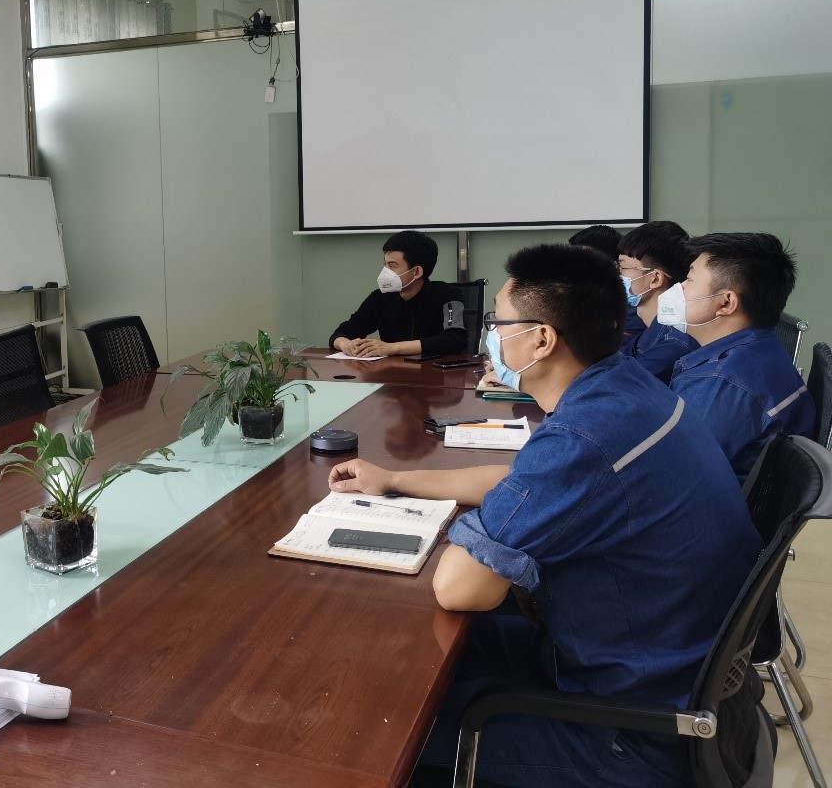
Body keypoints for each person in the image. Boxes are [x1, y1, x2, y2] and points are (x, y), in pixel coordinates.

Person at [329, 243, 760, 787]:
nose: (490, 336)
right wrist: (394, 480)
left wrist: (480, 529)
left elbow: (462, 588)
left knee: (367, 729)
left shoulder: (585, 436)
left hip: (629, 732)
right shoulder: (622, 388)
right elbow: (520, 479)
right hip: (651, 668)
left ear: (541, 339)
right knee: (398, 655)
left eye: (498, 324)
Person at [667, 232, 815, 485]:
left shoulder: (720, 384)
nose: (678, 289)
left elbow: (673, 477)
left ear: (726, 303)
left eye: (689, 280)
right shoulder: (765, 348)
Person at [329, 230, 467, 358]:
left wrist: (392, 348)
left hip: (433, 372)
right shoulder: (379, 298)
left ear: (417, 272)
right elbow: (341, 333)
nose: (385, 272)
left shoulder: (449, 295)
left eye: (392, 266)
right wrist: (346, 344)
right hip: (392, 372)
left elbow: (455, 339)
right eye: (385, 265)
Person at [617, 221, 696, 382]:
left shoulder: (673, 344)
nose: (617, 276)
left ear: (655, 278)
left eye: (622, 268)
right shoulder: (652, 331)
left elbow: (622, 384)